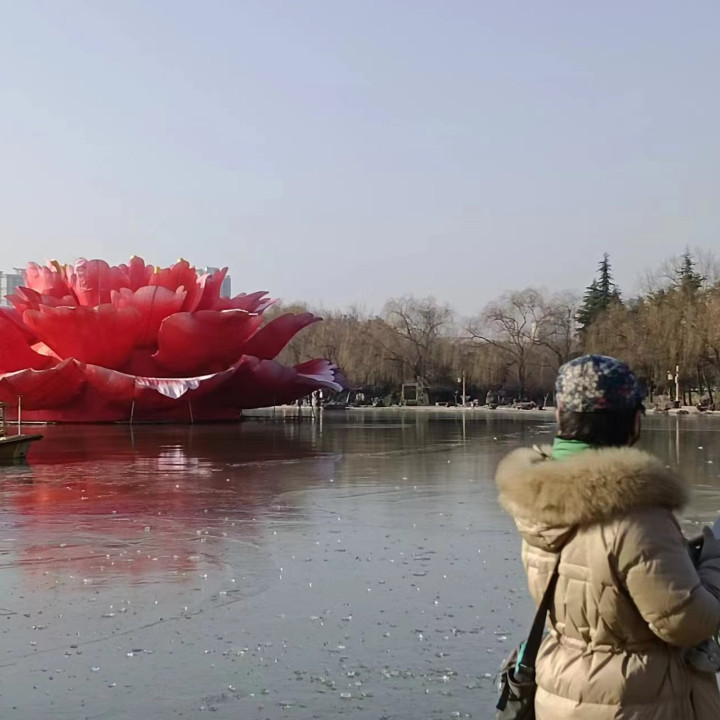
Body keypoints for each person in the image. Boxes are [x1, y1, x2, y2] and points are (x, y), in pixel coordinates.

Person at [495, 354, 720, 719]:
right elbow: (686, 624)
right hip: (637, 701)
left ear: (560, 415)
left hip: (560, 692)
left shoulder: (539, 503)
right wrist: (713, 563)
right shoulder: (637, 516)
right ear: (634, 422)